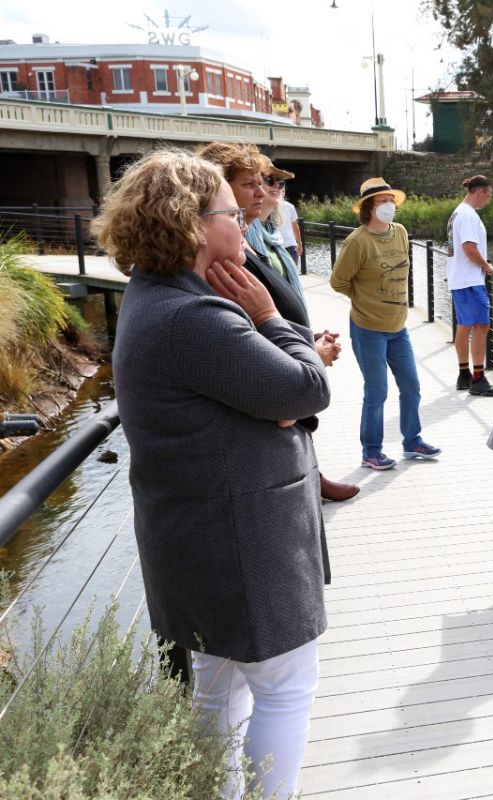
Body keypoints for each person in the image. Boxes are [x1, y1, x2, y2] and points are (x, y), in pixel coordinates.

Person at [95, 149, 331, 799]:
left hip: (194, 538)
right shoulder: (198, 315)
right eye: (231, 210)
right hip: (241, 543)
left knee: (214, 694)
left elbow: (274, 399)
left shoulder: (161, 295)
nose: (245, 219)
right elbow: (305, 390)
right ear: (196, 225)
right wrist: (269, 318)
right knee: (285, 689)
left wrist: (275, 397)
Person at [198, 141, 357, 501]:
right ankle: (311, 477)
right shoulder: (224, 262)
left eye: (264, 182)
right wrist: (310, 353)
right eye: (248, 184)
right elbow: (256, 346)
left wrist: (307, 340)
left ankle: (313, 474)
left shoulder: (248, 244)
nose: (262, 191)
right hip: (275, 407)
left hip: (287, 364)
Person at [331, 178, 441, 469]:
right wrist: (365, 298)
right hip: (368, 329)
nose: (389, 205)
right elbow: (338, 281)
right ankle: (371, 451)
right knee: (377, 391)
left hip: (398, 328)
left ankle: (412, 441)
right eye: (382, 201)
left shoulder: (400, 233)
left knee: (412, 386)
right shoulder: (358, 242)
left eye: (390, 200)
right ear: (368, 208)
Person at [446, 174, 493, 397]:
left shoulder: (457, 213)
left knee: (464, 325)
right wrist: (486, 265)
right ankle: (478, 378)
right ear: (479, 192)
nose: (487, 200)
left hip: (457, 277)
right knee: (481, 325)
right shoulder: (468, 215)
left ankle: (464, 374)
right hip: (470, 279)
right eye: (487, 196)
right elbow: (469, 248)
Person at [277, 183, 303, 264]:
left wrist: (299, 243)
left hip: (290, 245)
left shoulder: (290, 207)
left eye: (283, 190)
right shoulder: (269, 207)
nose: (281, 192)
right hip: (276, 245)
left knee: (292, 273)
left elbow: (295, 225)